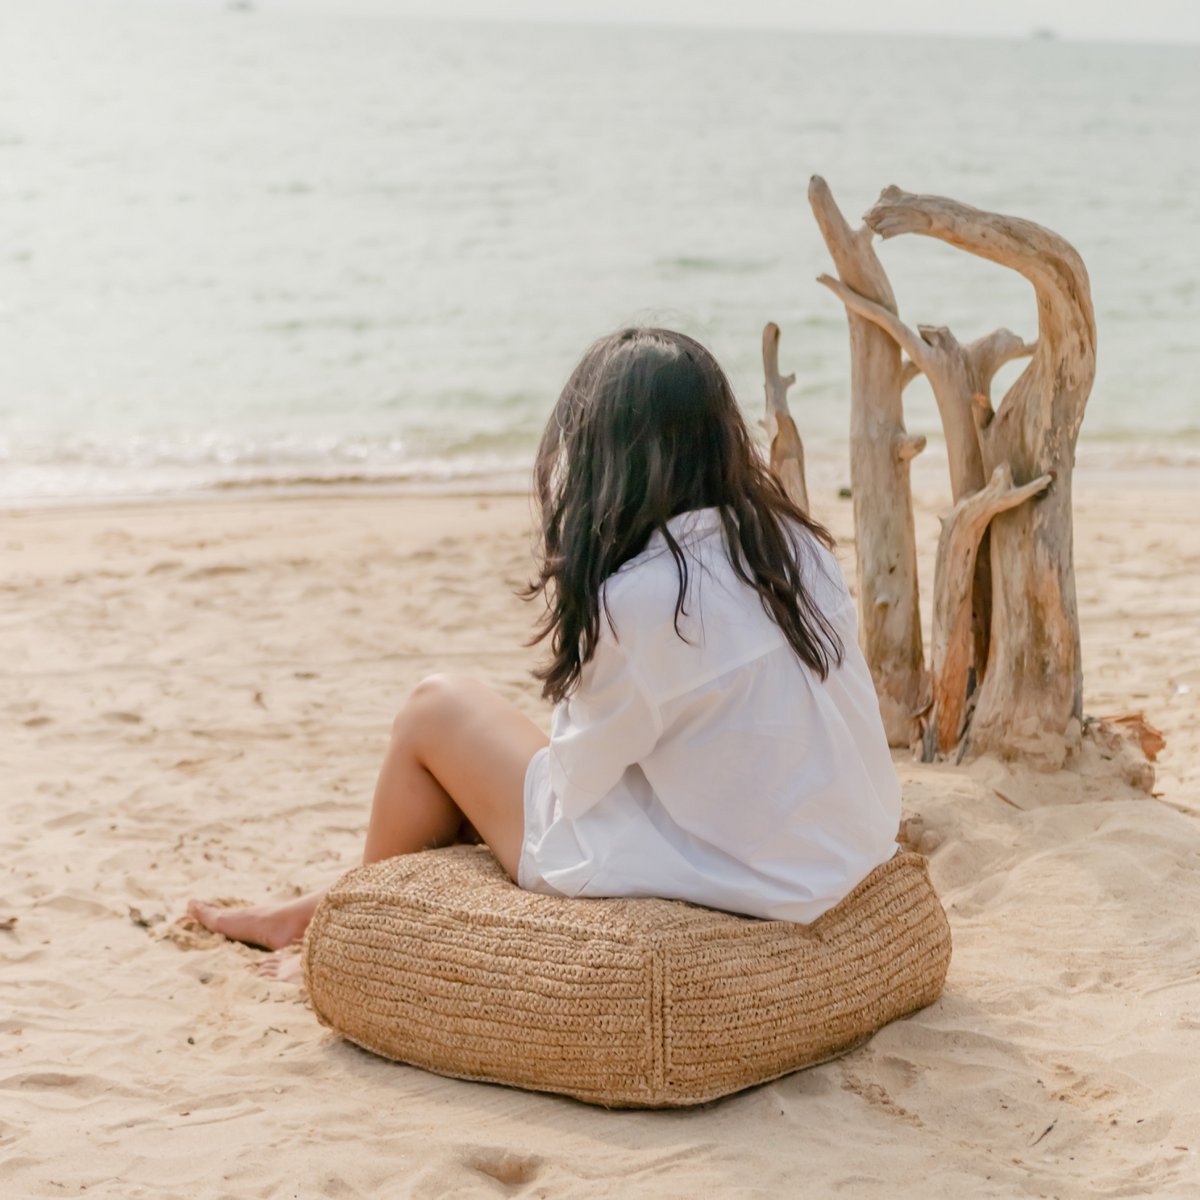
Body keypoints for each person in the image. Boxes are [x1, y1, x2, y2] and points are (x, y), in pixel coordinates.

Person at [188, 328, 901, 979]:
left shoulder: (648, 597)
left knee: (433, 709)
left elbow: (575, 780)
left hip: (747, 880)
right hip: (838, 853)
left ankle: (355, 939)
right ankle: (324, 906)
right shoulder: (793, 546)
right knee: (475, 761)